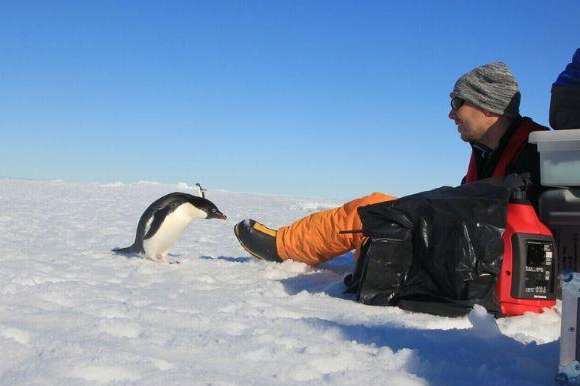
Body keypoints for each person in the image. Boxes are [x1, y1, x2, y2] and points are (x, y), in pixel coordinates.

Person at [234, 62, 548, 266]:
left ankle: (285, 247)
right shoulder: (486, 150)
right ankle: (289, 245)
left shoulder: (536, 147)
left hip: (496, 261)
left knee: (375, 215)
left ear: (489, 107)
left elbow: (520, 202)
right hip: (474, 247)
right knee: (378, 212)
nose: (451, 114)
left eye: (457, 103)